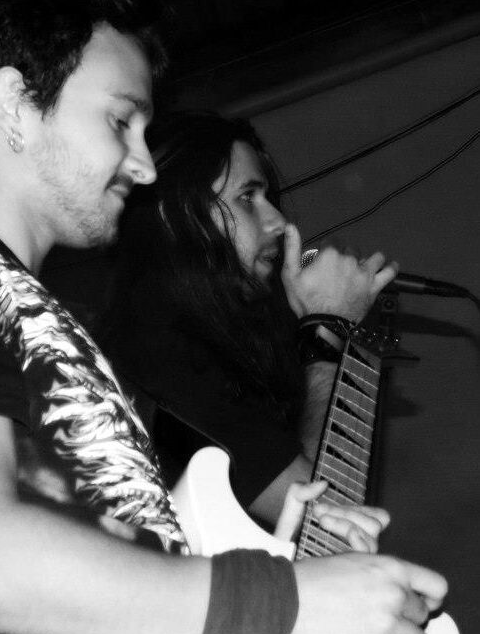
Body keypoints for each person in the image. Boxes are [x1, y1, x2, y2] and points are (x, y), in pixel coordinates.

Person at [0, 0, 446, 634]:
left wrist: (266, 552)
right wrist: (285, 597)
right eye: (120, 121)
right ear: (14, 104)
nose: (146, 166)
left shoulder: (45, 318)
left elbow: (111, 603)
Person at [98, 111, 394, 531]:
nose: (278, 221)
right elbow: (329, 519)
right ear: (172, 214)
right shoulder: (157, 347)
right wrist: (327, 329)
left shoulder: (227, 336)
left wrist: (328, 329)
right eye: (247, 197)